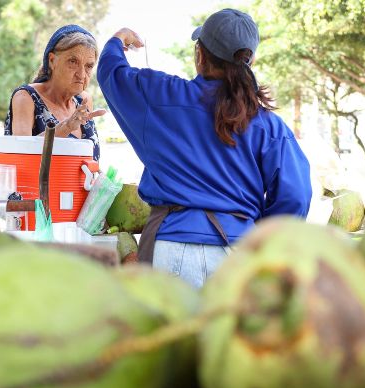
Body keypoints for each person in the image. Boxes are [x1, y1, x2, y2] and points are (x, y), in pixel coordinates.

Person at [97, 9, 312, 288]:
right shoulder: (269, 126)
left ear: (200, 55)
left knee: (171, 332)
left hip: (170, 247)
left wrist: (118, 40)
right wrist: (259, 241)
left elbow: (111, 72)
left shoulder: (160, 96)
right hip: (238, 255)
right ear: (250, 61)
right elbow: (295, 196)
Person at [4, 25, 106, 161]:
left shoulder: (84, 100)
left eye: (88, 66)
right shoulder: (26, 97)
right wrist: (67, 127)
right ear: (52, 61)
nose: (81, 74)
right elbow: (21, 155)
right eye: (73, 62)